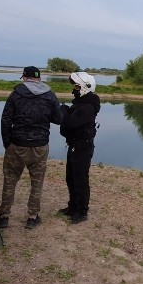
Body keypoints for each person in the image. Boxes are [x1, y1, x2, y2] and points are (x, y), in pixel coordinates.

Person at [0, 66, 64, 229]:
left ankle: (4, 216)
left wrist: (7, 143)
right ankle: (32, 217)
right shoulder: (50, 95)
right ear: (39, 79)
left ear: (25, 78)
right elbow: (59, 119)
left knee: (10, 180)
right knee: (37, 182)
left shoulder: (16, 94)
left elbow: (6, 120)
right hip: (39, 146)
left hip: (17, 145)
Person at [58, 71, 101, 224]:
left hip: (82, 148)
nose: (74, 89)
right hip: (75, 146)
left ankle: (81, 211)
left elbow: (70, 123)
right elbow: (70, 120)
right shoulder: (81, 105)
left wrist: (63, 110)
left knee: (80, 180)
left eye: (77, 86)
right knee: (71, 177)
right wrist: (66, 110)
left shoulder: (87, 108)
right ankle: (72, 207)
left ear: (84, 87)